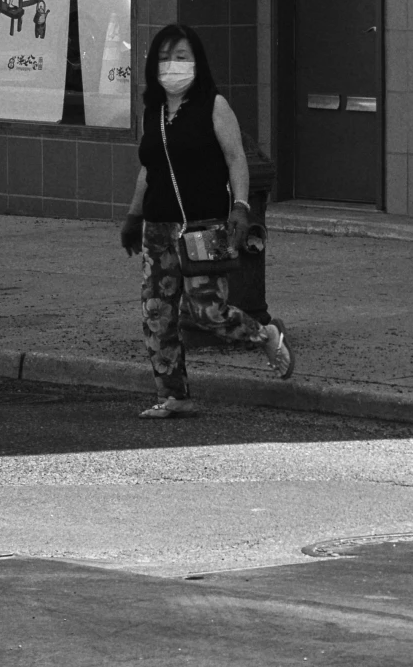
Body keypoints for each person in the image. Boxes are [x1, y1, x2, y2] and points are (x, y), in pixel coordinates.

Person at [120, 24, 292, 418]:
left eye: (182, 56)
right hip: (158, 229)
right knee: (157, 315)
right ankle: (174, 395)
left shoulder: (214, 105)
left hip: (204, 227)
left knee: (207, 311)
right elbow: (148, 169)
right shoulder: (154, 111)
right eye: (165, 57)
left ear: (197, 62)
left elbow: (236, 158)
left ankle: (264, 334)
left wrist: (241, 207)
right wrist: (133, 215)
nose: (172, 65)